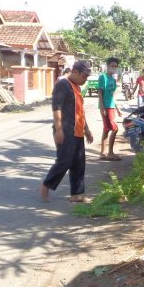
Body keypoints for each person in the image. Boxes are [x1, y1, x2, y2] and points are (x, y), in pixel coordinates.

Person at [40, 60, 94, 203]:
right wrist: (59, 129)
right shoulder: (63, 84)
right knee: (64, 161)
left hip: (77, 131)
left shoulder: (76, 87)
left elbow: (80, 111)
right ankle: (46, 186)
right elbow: (56, 108)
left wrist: (87, 129)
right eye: (84, 76)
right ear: (75, 72)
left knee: (79, 162)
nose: (85, 79)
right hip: (65, 130)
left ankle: (77, 194)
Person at [98, 57, 123, 161]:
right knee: (115, 128)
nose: (113, 68)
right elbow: (100, 93)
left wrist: (117, 108)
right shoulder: (102, 77)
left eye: (115, 67)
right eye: (112, 66)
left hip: (111, 106)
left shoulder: (113, 80)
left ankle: (102, 153)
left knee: (106, 129)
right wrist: (102, 108)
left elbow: (112, 95)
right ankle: (110, 153)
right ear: (107, 66)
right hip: (106, 107)